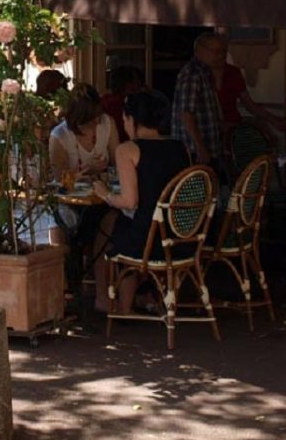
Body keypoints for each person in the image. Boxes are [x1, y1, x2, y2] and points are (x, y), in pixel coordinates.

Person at [92, 90, 189, 312]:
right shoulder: (180, 147)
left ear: (133, 120)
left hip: (148, 240)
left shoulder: (128, 149)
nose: (124, 125)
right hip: (182, 236)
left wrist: (104, 193)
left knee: (107, 225)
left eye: (125, 119)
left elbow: (129, 201)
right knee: (117, 223)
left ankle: (110, 300)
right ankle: (143, 294)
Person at [210, 34, 286, 133]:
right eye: (216, 51)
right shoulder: (200, 75)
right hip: (210, 130)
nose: (221, 54)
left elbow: (249, 104)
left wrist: (273, 119)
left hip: (234, 128)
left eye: (224, 50)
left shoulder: (233, 72)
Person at [171, 33, 224, 169]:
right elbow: (186, 114)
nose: (220, 55)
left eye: (221, 51)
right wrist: (200, 146)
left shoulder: (205, 73)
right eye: (215, 51)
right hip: (194, 151)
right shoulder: (192, 74)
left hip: (208, 147)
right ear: (200, 50)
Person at [49, 82, 119, 181]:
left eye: (98, 115)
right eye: (91, 119)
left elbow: (118, 162)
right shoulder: (60, 135)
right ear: (79, 118)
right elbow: (59, 179)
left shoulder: (107, 123)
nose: (98, 122)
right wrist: (89, 170)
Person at [101, 65, 145, 142]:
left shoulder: (103, 101)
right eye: (136, 83)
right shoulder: (128, 105)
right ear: (128, 85)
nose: (139, 87)